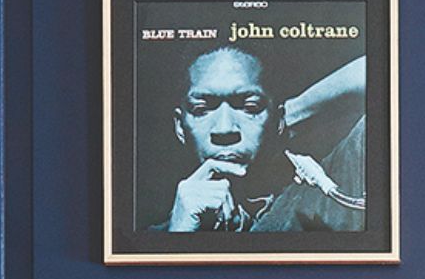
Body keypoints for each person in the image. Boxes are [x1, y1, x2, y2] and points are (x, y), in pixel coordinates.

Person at [156, 46, 368, 236]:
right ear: (179, 127)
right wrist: (179, 235)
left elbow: (384, 72)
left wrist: (291, 116)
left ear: (276, 119)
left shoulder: (323, 198)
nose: (224, 129)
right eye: (202, 110)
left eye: (250, 107)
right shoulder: (159, 235)